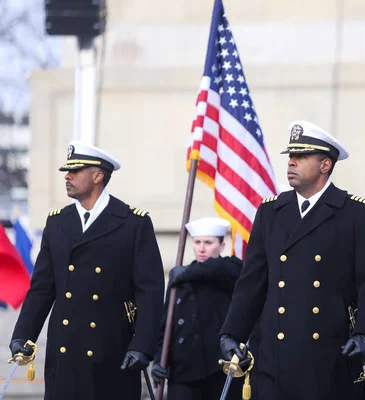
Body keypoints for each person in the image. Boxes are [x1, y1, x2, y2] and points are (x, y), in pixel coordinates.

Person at [218, 120, 365, 400]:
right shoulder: (271, 211)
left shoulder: (354, 213)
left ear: (325, 165)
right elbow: (251, 283)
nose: (291, 162)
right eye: (290, 156)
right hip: (273, 361)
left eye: (301, 156)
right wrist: (231, 332)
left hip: (328, 359)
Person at [9, 141, 165, 399]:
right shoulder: (58, 222)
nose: (67, 176)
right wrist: (23, 335)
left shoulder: (133, 223)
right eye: (66, 171)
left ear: (98, 176)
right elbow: (42, 288)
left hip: (112, 348)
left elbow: (149, 291)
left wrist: (143, 346)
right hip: (65, 350)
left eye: (76, 170)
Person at [151, 217, 243, 399]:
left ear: (222, 245)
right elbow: (166, 327)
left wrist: (185, 272)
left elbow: (218, 268)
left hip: (220, 371)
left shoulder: (231, 269)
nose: (201, 249)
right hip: (184, 372)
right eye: (197, 242)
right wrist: (159, 360)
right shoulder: (179, 280)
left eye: (208, 243)